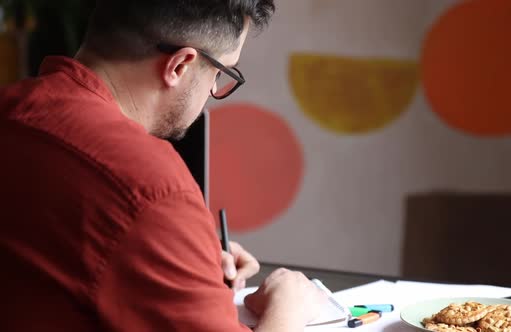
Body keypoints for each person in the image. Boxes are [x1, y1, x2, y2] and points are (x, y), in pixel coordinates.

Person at [0, 1, 327, 331]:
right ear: (180, 65)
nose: (213, 91)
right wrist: (288, 309)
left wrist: (182, 256)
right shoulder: (151, 190)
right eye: (220, 73)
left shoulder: (10, 109)